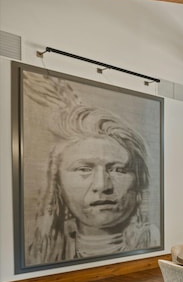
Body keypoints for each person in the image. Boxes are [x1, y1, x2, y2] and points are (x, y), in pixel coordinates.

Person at [27, 105, 160, 265]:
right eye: (84, 169)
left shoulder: (155, 240)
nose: (102, 185)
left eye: (118, 169)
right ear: (58, 183)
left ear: (138, 180)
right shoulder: (38, 254)